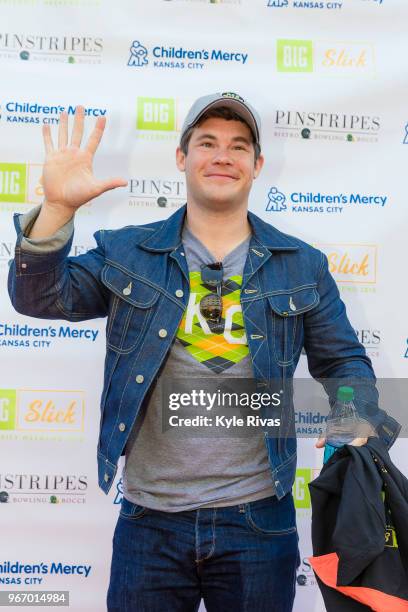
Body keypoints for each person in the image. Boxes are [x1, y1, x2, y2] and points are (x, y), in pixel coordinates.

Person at [8, 92, 400, 612]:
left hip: (260, 519)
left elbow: (344, 362)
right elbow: (40, 298)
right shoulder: (128, 252)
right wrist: (56, 209)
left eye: (239, 146)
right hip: (149, 520)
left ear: (257, 166)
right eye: (207, 142)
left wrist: (354, 414)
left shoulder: (301, 265)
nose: (222, 155)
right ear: (181, 157)